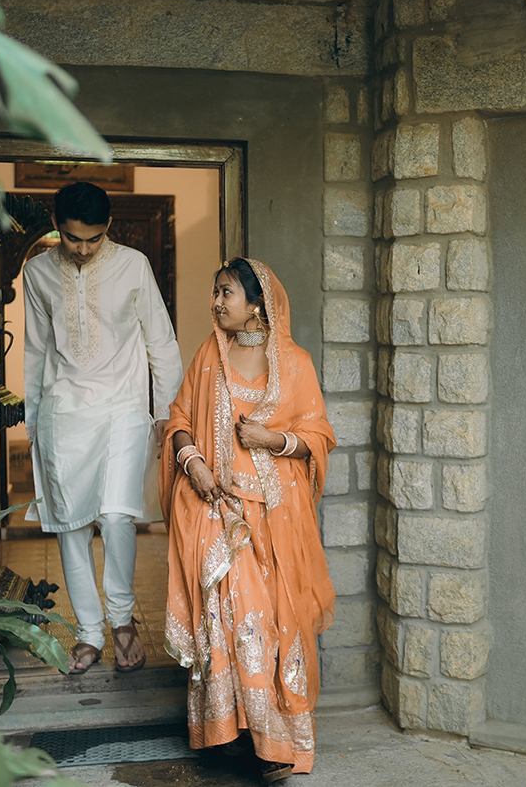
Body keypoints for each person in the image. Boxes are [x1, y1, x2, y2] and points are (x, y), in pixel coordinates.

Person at [159, 258, 336, 783]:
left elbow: (318, 435)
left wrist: (272, 440)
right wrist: (192, 464)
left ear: (257, 303)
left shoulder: (297, 363)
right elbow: (179, 419)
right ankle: (225, 732)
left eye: (226, 293)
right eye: (215, 293)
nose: (216, 303)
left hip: (275, 522)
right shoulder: (208, 359)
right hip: (217, 515)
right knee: (228, 622)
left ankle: (275, 743)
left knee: (272, 625)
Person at [22, 181, 183, 674]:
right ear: (57, 227)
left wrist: (166, 417)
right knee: (70, 527)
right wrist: (33, 422)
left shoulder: (133, 265)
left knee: (116, 517)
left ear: (108, 227)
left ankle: (122, 619)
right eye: (73, 239)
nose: (84, 249)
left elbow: (162, 342)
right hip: (63, 412)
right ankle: (89, 632)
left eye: (93, 238)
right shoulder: (38, 272)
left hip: (123, 407)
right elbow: (34, 350)